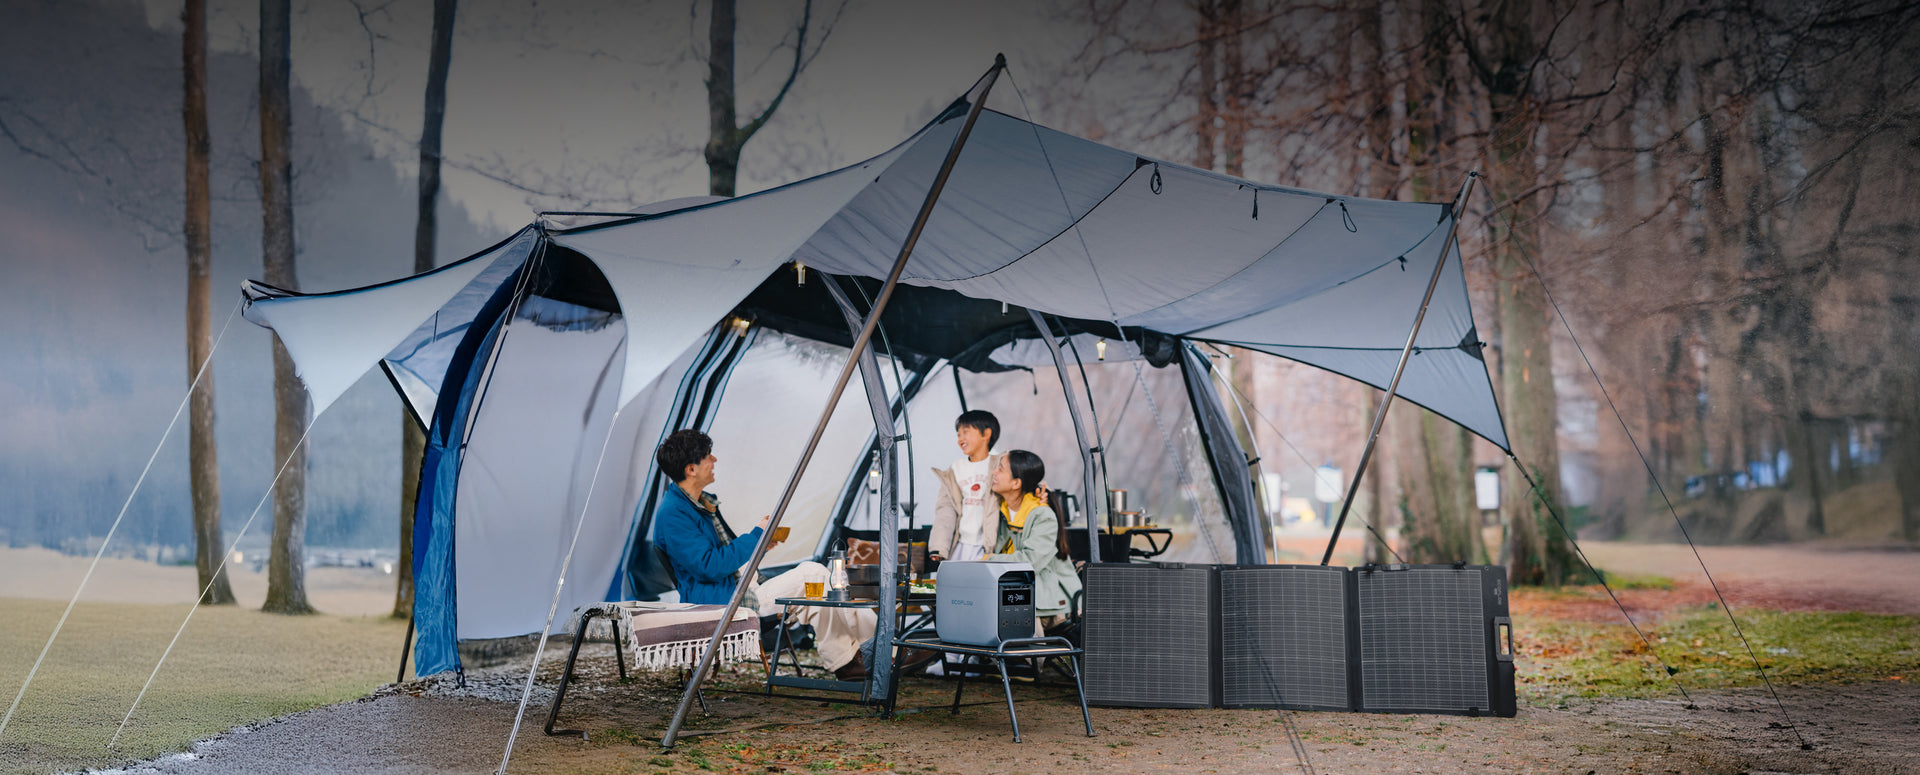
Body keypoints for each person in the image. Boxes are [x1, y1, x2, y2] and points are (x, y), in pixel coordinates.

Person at [652, 429, 876, 679]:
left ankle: (852, 659)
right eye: (708, 456)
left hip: (741, 589)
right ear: (691, 469)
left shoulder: (699, 504)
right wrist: (757, 534)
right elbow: (709, 566)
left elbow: (721, 556)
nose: (714, 460)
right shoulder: (674, 514)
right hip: (725, 603)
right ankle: (879, 650)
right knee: (813, 575)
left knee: (819, 584)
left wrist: (759, 547)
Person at [988, 450, 1082, 632]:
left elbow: (1029, 562)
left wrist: (987, 560)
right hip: (1016, 595)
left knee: (1017, 617)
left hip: (1050, 604)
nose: (994, 472)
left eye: (1000, 469)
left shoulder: (1042, 515)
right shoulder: (998, 513)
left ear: (1016, 483)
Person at [930, 410, 1003, 563]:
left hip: (992, 546)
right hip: (961, 545)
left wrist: (1041, 492)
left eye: (966, 432)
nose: (960, 439)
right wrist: (939, 547)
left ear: (986, 434)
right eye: (958, 435)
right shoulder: (954, 470)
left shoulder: (1001, 464)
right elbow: (945, 510)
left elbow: (1025, 479)